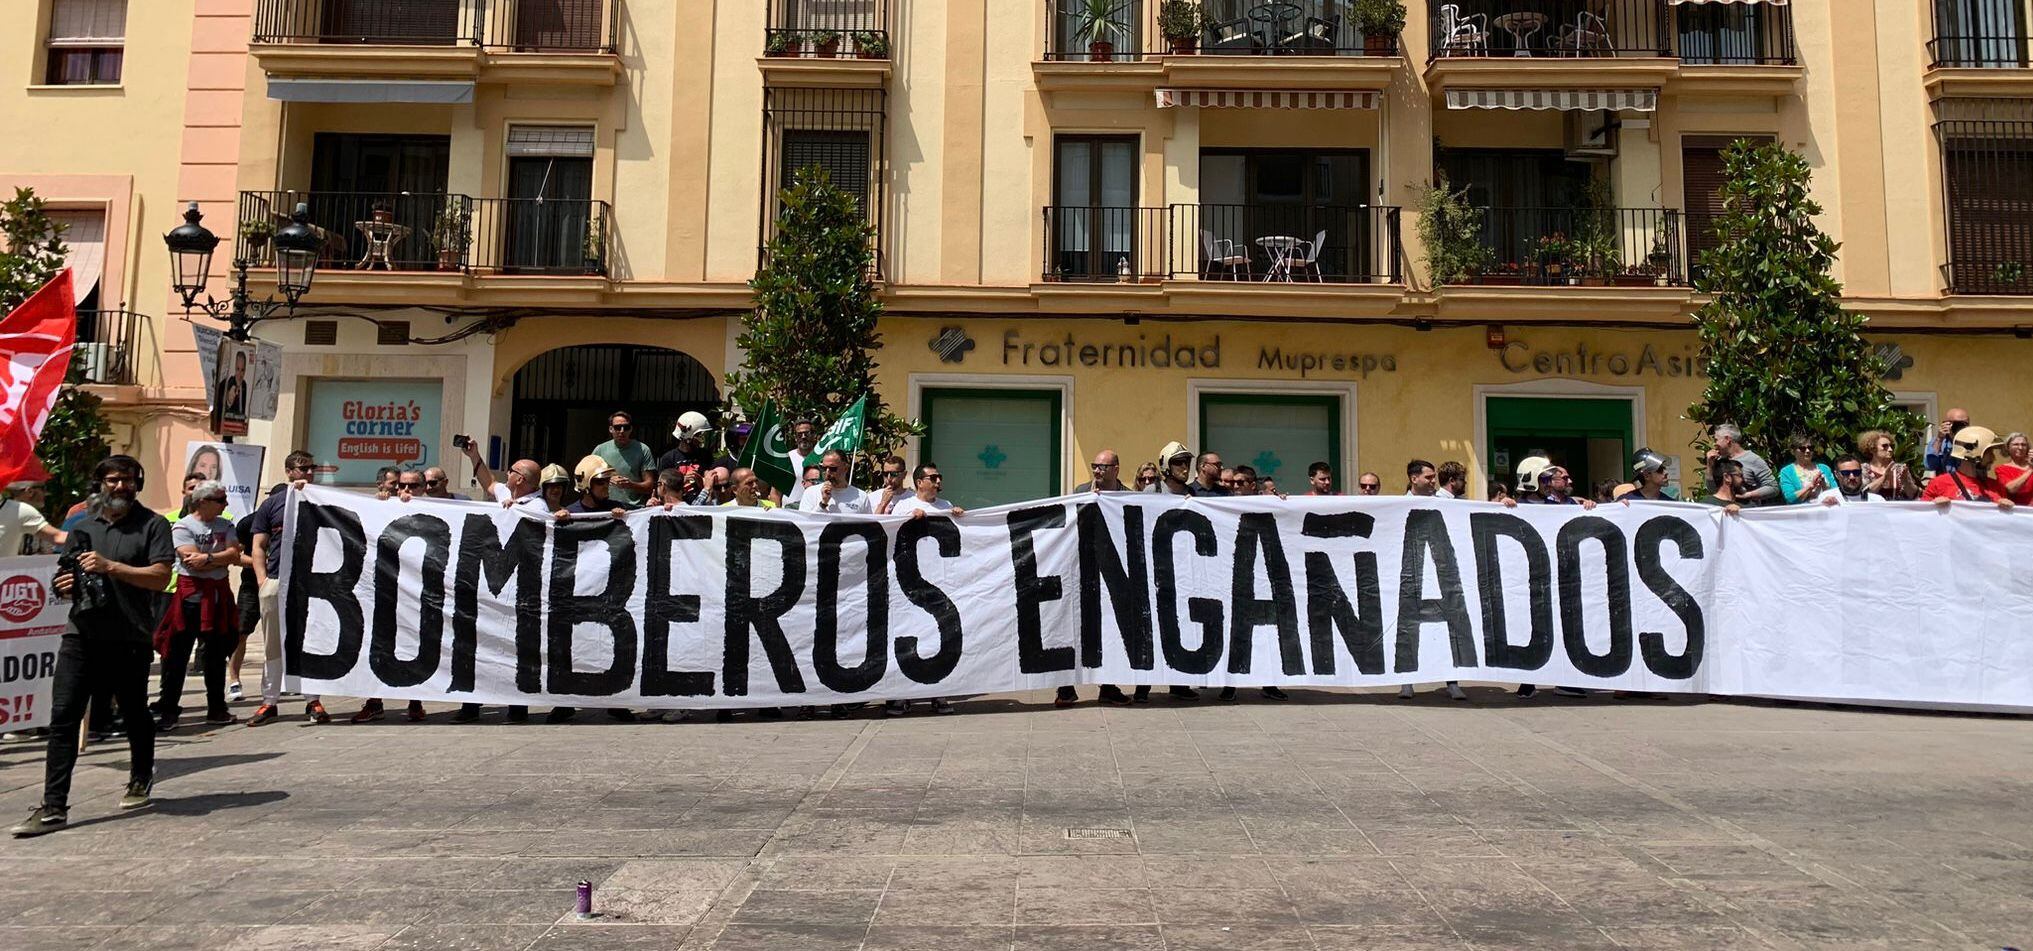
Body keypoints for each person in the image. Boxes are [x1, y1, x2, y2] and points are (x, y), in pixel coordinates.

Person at [11, 456, 174, 837]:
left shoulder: (153, 525)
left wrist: (111, 567)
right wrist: (62, 586)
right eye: (114, 480)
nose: (121, 487)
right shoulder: (82, 528)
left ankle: (139, 775)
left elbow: (160, 576)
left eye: (129, 480)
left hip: (129, 636)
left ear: (139, 483)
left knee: (134, 712)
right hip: (80, 634)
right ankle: (54, 806)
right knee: (64, 716)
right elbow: (64, 574)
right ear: (100, 483)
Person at [247, 451, 329, 727]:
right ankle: (269, 701)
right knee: (273, 644)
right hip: (275, 581)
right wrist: (262, 581)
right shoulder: (272, 505)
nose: (308, 473)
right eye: (302, 468)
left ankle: (313, 699)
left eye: (311, 468)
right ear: (288, 471)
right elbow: (258, 546)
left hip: (310, 584)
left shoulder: (323, 502)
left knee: (309, 642)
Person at [153, 480, 241, 730]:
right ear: (202, 502)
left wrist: (210, 558)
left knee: (215, 654)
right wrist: (218, 559)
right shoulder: (183, 526)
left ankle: (217, 708)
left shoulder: (226, 524)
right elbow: (190, 560)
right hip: (190, 596)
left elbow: (234, 554)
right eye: (220, 500)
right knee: (177, 655)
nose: (225, 504)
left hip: (218, 594)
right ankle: (169, 710)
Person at [882, 463, 965, 717]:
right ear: (920, 482)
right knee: (908, 636)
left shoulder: (945, 505)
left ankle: (937, 693)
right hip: (909, 582)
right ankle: (902, 695)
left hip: (939, 582)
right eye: (933, 478)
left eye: (940, 477)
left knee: (939, 636)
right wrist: (906, 519)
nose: (939, 481)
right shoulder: (905, 506)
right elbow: (885, 529)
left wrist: (960, 517)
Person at [355, 471, 433, 723]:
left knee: (414, 643)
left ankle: (415, 701)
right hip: (386, 590)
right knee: (378, 642)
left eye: (414, 485)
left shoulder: (439, 511)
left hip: (420, 593)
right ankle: (374, 701)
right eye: (402, 485)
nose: (407, 490)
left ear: (424, 488)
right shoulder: (385, 507)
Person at [1921, 425, 2017, 509]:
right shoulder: (1939, 484)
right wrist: (1933, 507)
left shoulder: (1996, 487)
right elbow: (1922, 518)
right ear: (1972, 453)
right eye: (1989, 452)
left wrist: (2008, 510)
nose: (1993, 458)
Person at [592, 410, 657, 505]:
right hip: (605, 507)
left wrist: (630, 484)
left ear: (631, 429)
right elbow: (589, 480)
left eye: (626, 427)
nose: (622, 431)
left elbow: (649, 486)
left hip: (632, 509)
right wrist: (608, 479)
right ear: (611, 429)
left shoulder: (642, 450)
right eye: (617, 427)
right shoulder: (600, 450)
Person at [1706, 424, 1778, 506]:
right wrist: (1710, 465)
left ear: (1727, 439)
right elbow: (1712, 489)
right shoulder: (1719, 460)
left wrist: (1749, 495)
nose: (1715, 444)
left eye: (1716, 440)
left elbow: (1773, 488)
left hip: (1746, 513)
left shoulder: (1752, 459)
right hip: (1723, 512)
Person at [798, 450, 871, 513]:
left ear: (845, 468)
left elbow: (869, 526)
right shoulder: (811, 493)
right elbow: (805, 524)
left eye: (833, 468)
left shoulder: (861, 497)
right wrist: (823, 504)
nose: (827, 472)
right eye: (824, 468)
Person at [2, 482, 64, 555]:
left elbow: (47, 549)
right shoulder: (24, 512)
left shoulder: (6, 510)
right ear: (30, 491)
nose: (45, 494)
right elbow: (57, 537)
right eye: (43, 489)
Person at [1855, 430, 1920, 500]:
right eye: (1885, 446)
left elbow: (1913, 495)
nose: (1890, 449)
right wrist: (1884, 477)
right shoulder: (1864, 469)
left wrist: (1906, 482)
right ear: (1872, 449)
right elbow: (1864, 494)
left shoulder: (1900, 469)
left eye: (1891, 446)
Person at [561, 455, 632, 520]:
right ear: (586, 487)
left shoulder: (618, 508)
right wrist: (560, 520)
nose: (606, 485)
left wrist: (624, 518)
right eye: (600, 482)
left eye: (608, 480)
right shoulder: (571, 513)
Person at [1777, 433, 1837, 505]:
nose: (1808, 451)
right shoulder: (1786, 472)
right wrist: (1811, 486)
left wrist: (1824, 486)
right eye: (1802, 448)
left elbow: (1835, 492)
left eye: (1810, 448)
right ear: (1793, 451)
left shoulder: (1824, 468)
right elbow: (1790, 498)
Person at [656, 411, 716, 479]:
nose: (702, 439)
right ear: (687, 435)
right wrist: (682, 482)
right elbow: (664, 485)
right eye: (698, 435)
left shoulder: (706, 456)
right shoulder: (668, 459)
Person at [1990, 432, 2033, 505]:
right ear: (2007, 447)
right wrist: (2031, 469)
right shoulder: (2001, 469)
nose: (2020, 448)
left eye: (2024, 445)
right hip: (2016, 512)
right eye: (2016, 444)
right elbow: (2011, 489)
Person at [1925, 407, 1971, 475]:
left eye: (1963, 424)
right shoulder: (1938, 441)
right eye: (1956, 424)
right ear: (1946, 424)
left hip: (1968, 483)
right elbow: (1930, 465)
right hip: (1946, 483)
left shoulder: (1974, 441)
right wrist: (1939, 439)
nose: (1959, 427)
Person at [786, 418, 821, 505]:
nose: (803, 437)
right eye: (799, 434)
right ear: (795, 437)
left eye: (807, 433)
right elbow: (775, 492)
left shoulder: (822, 458)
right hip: (789, 511)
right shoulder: (787, 458)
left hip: (816, 510)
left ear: (814, 435)